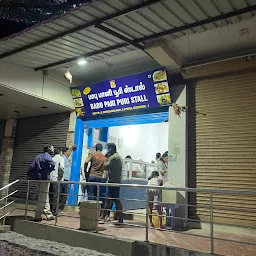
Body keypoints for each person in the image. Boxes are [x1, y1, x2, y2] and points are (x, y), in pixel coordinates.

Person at [27, 145, 56, 221]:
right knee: (42, 197)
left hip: (37, 179)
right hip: (44, 179)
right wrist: (49, 170)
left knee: (44, 196)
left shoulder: (38, 156)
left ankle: (48, 214)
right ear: (49, 149)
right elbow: (53, 163)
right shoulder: (47, 156)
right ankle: (37, 215)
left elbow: (31, 166)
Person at [102, 143, 124, 226]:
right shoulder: (118, 156)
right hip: (116, 180)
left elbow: (105, 166)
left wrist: (105, 158)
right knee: (110, 199)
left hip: (113, 181)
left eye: (108, 149)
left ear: (110, 149)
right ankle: (105, 216)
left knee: (113, 199)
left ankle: (118, 218)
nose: (107, 150)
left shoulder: (113, 157)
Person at [59, 145, 76, 212]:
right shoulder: (62, 157)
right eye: (67, 151)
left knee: (64, 194)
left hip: (66, 179)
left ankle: (60, 208)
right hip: (63, 179)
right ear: (64, 152)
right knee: (63, 193)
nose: (68, 152)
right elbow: (68, 153)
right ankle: (59, 208)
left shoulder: (64, 158)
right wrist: (71, 148)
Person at [49, 148, 64, 216]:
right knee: (56, 195)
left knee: (51, 194)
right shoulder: (61, 158)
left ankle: (50, 209)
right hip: (57, 179)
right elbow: (61, 168)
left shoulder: (52, 159)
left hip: (51, 179)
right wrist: (60, 178)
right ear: (60, 152)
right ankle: (54, 211)